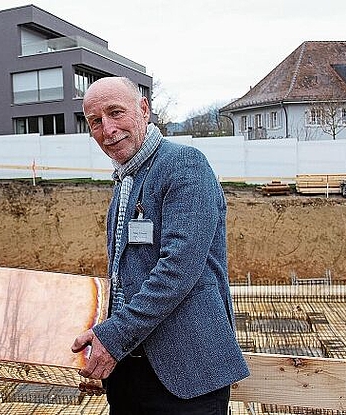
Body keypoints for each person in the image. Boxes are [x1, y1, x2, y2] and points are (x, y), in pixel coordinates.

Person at [72, 77, 249, 414]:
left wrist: (114, 335)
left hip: (185, 376)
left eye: (115, 113)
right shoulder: (127, 179)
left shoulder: (184, 165)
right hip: (129, 368)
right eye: (96, 121)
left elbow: (177, 269)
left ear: (143, 110)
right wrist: (103, 340)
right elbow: (125, 275)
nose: (107, 130)